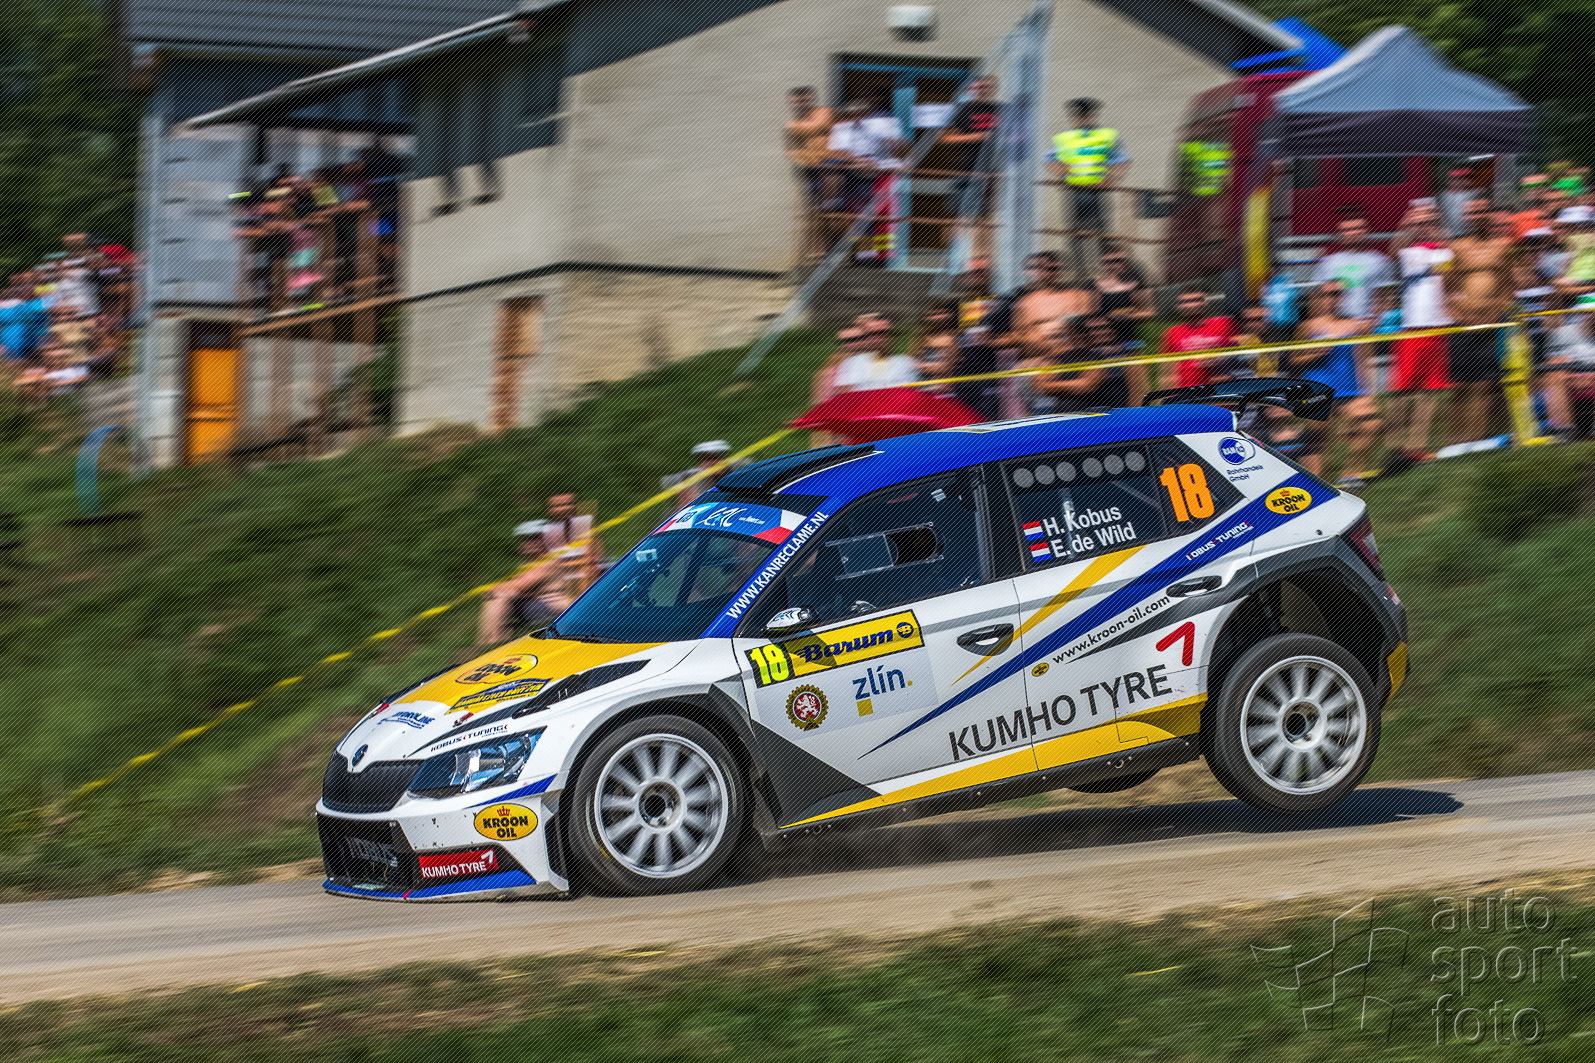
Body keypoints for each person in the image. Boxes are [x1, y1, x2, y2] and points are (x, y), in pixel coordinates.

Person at [1289, 281, 1380, 482]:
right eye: (1328, 294)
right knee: (1317, 442)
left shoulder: (1355, 325)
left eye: (1338, 293)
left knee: (1370, 425)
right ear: (1318, 299)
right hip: (1318, 392)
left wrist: (1369, 390)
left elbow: (1364, 359)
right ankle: (1316, 483)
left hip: (1349, 391)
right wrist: (1315, 353)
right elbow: (1293, 360)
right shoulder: (1307, 327)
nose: (1333, 298)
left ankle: (1351, 475)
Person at [1445, 196, 1515, 443]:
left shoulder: (1503, 245)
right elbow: (1446, 285)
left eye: (1482, 211)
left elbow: (1509, 284)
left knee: (1484, 383)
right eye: (1472, 212)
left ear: (1490, 215)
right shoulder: (1456, 247)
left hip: (1492, 321)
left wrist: (1498, 310)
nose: (1477, 216)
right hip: (1462, 323)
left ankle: (1475, 441)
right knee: (1460, 384)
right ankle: (1455, 442)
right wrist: (1455, 312)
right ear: (1466, 217)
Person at [1387, 200, 1454, 452]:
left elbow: (1451, 276)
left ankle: (1416, 446)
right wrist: (1407, 223)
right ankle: (1394, 445)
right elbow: (1393, 251)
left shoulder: (1446, 249)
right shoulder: (1410, 251)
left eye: (1430, 222)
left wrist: (1438, 230)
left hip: (1439, 328)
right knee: (1402, 389)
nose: (1426, 226)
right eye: (1421, 223)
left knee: (1430, 390)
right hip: (1413, 328)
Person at [1048, 97, 1128, 276]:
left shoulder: (1106, 135)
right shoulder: (1063, 138)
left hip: (1097, 192)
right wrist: (1060, 170)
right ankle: (1081, 275)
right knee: (1076, 235)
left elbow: (1122, 159)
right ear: (1072, 118)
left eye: (1086, 116)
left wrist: (1113, 179)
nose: (1083, 119)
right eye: (1079, 116)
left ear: (1093, 116)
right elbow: (1050, 159)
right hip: (1074, 192)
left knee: (1103, 234)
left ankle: (1107, 275)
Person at [477, 521, 577, 647]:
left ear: (545, 539)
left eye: (535, 538)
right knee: (500, 596)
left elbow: (523, 585)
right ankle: (491, 641)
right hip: (534, 604)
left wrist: (493, 588)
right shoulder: (528, 563)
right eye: (526, 539)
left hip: (551, 606)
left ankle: (491, 643)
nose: (530, 543)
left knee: (500, 596)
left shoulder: (548, 561)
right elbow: (521, 588)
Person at [942, 75, 1000, 258]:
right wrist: (977, 137)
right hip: (967, 169)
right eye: (979, 87)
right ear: (971, 89)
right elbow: (945, 137)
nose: (983, 90)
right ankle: (950, 256)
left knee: (985, 217)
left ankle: (978, 260)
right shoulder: (964, 110)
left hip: (992, 172)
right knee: (961, 216)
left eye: (987, 87)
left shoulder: (1000, 109)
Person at [1312, 210, 1395, 321]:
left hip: (1368, 324)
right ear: (1340, 233)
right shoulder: (1328, 263)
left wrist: (1376, 323)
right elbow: (1316, 299)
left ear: (1367, 230)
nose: (1353, 233)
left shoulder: (1380, 261)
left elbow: (1387, 297)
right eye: (1347, 230)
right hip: (1338, 325)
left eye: (1358, 228)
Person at [784, 86, 834, 262]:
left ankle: (834, 251)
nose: (801, 104)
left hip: (831, 170)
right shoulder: (793, 124)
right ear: (791, 103)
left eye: (804, 100)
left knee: (832, 211)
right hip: (810, 171)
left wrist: (795, 128)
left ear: (812, 99)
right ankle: (815, 253)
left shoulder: (825, 112)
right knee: (812, 212)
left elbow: (821, 125)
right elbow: (790, 151)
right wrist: (805, 159)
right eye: (797, 101)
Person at [1159, 288, 1233, 389]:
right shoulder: (1172, 332)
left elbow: (1244, 354)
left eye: (1197, 300)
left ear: (1206, 303)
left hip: (1223, 390)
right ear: (1178, 306)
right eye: (1185, 302)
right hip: (1187, 392)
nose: (1191, 305)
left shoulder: (1225, 323)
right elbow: (1166, 373)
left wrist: (1220, 360)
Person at [833, 315, 918, 392]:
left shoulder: (906, 362)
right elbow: (843, 396)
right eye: (872, 334)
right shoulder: (851, 364)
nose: (879, 337)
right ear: (865, 337)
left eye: (883, 332)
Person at [663, 441, 740, 508]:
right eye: (707, 459)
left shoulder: (738, 471)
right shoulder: (691, 477)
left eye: (718, 457)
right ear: (699, 462)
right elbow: (690, 505)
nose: (713, 462)